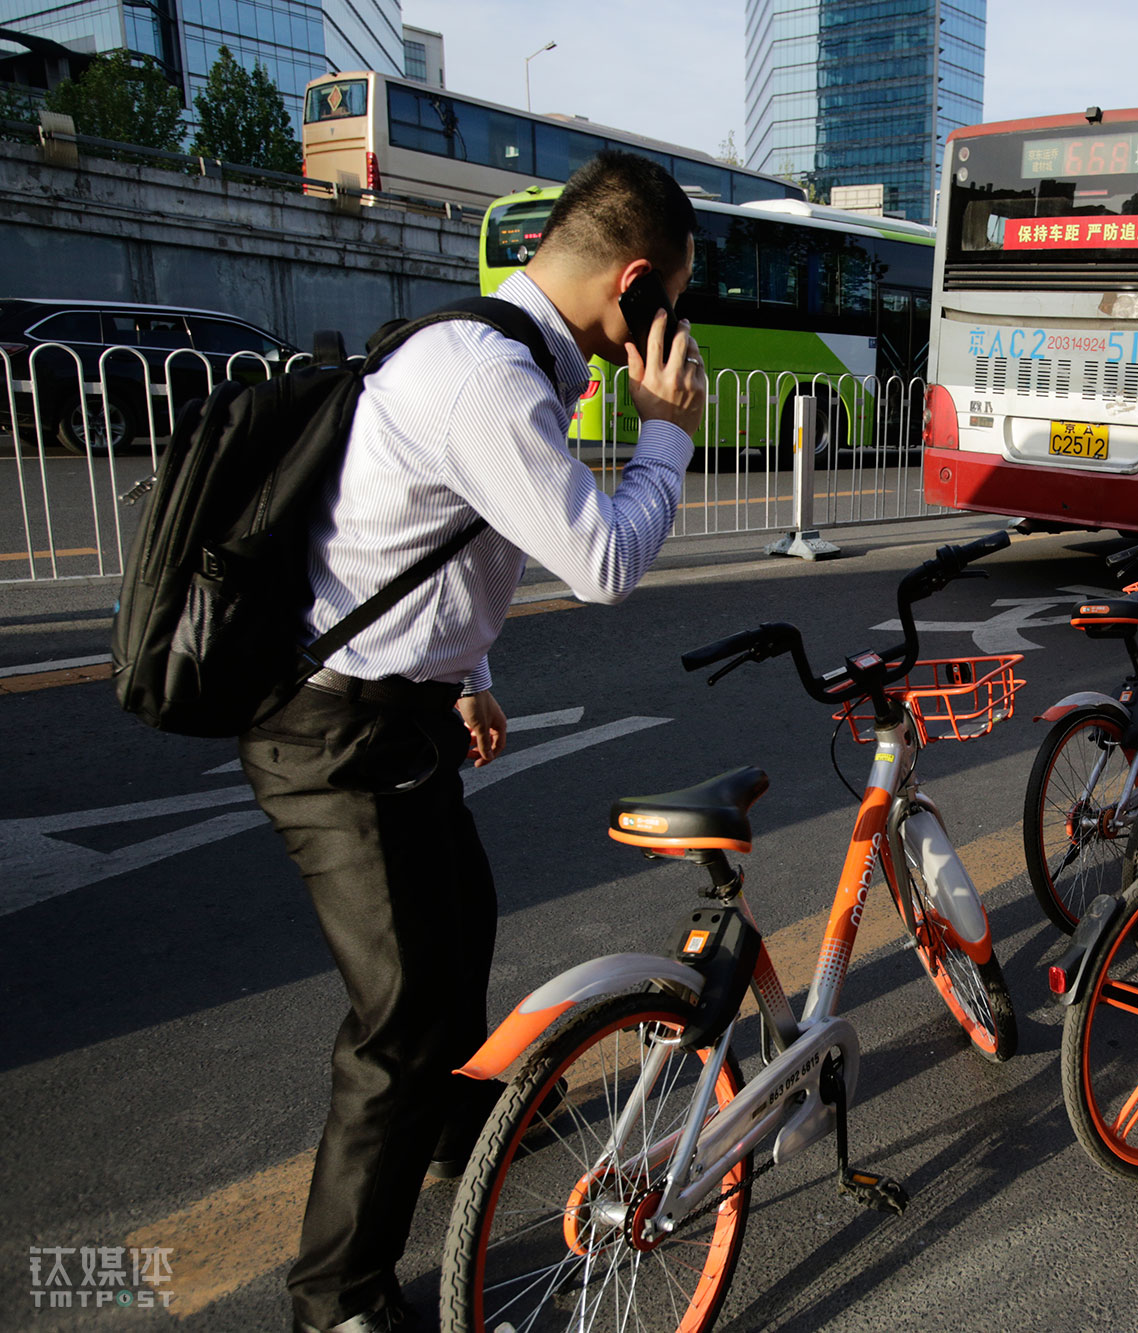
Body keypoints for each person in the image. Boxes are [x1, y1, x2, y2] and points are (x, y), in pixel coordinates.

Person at [240, 150, 706, 1333]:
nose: (673, 328)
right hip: (333, 734)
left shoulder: (487, 349)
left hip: (398, 709)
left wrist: (469, 676)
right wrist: (666, 436)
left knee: (464, 921)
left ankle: (458, 1128)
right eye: (675, 301)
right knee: (397, 1017)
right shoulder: (489, 377)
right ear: (636, 283)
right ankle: (336, 1298)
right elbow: (601, 563)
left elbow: (427, 533)